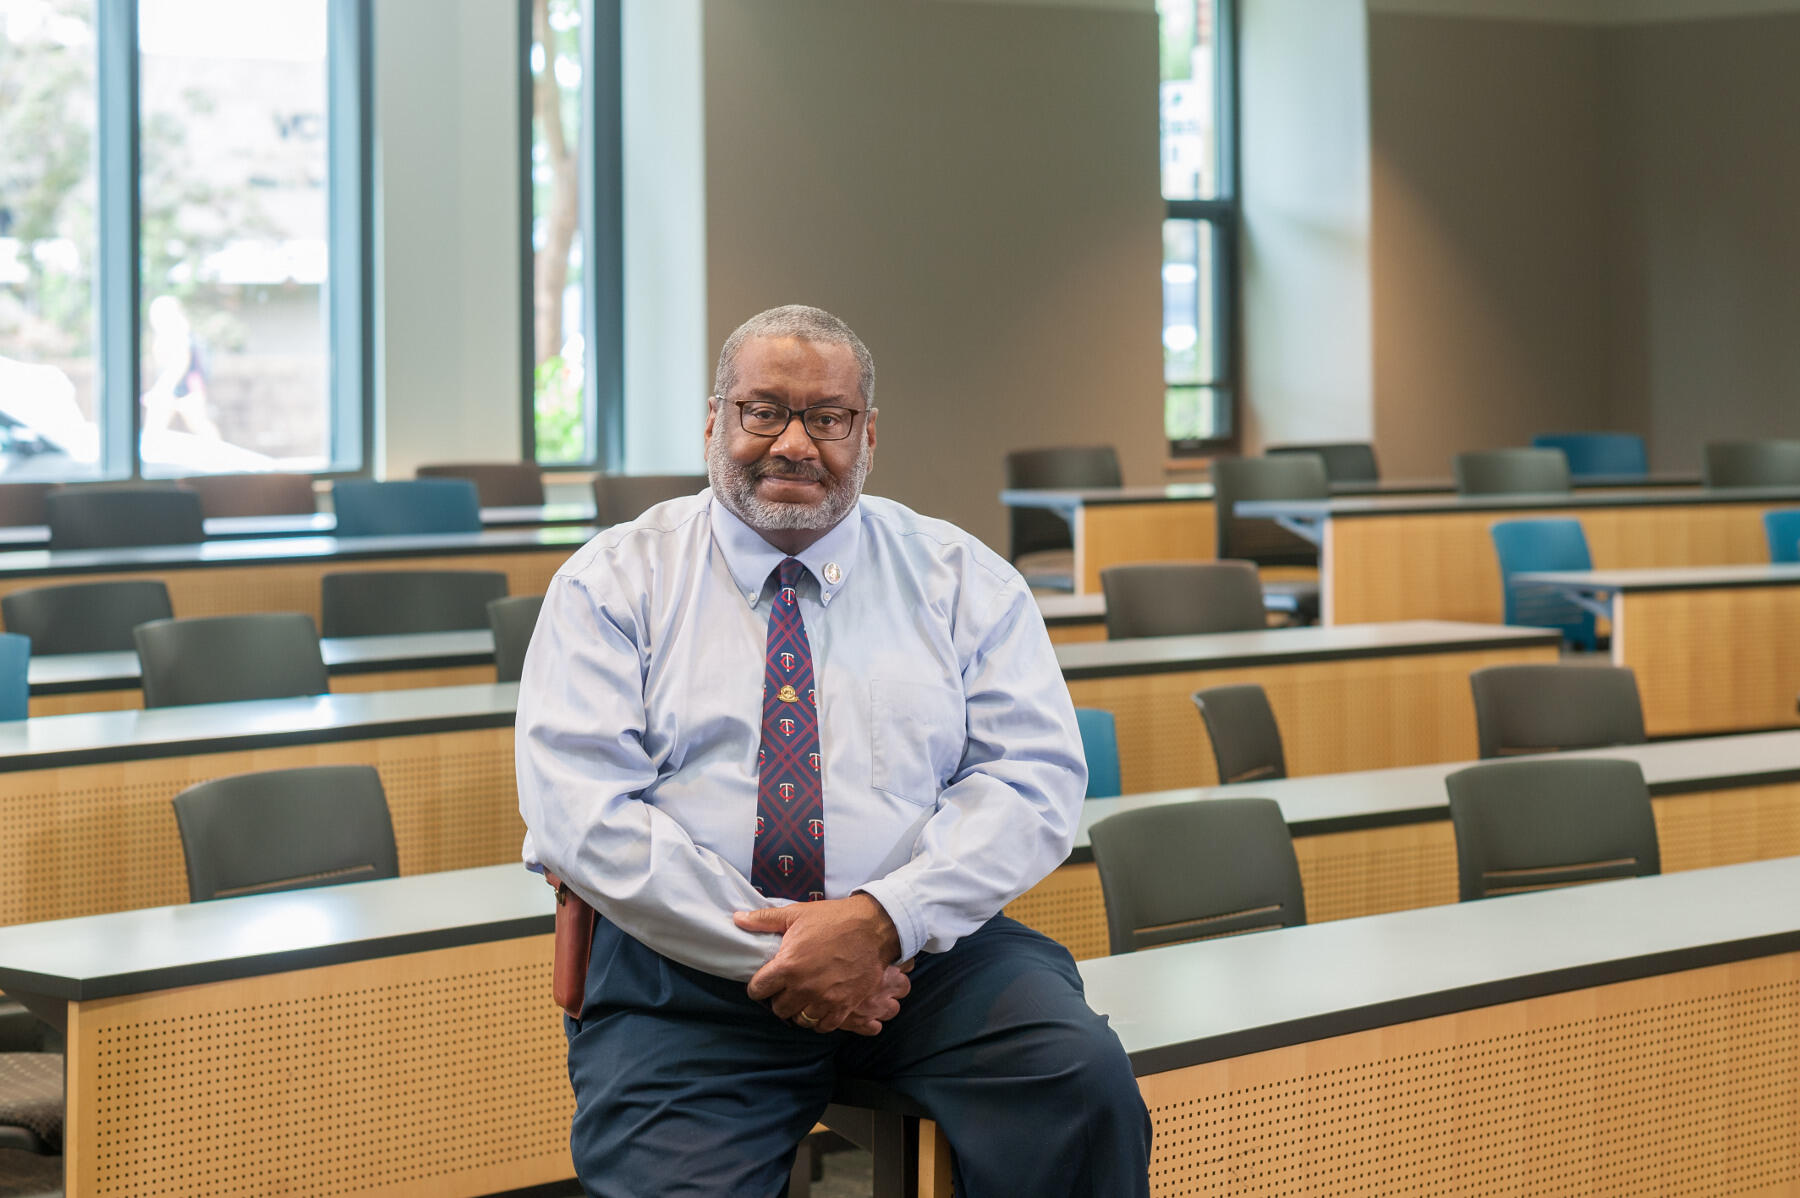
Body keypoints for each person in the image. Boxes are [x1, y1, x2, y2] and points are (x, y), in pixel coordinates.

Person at [516, 304, 1151, 1197]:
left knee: (1079, 1088)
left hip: (922, 959)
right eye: (763, 410)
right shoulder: (613, 582)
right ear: (713, 421)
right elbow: (584, 816)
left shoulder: (960, 578)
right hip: (687, 976)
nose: (794, 444)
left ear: (868, 434)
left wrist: (882, 921)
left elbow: (1032, 779)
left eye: (828, 418)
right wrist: (791, 956)